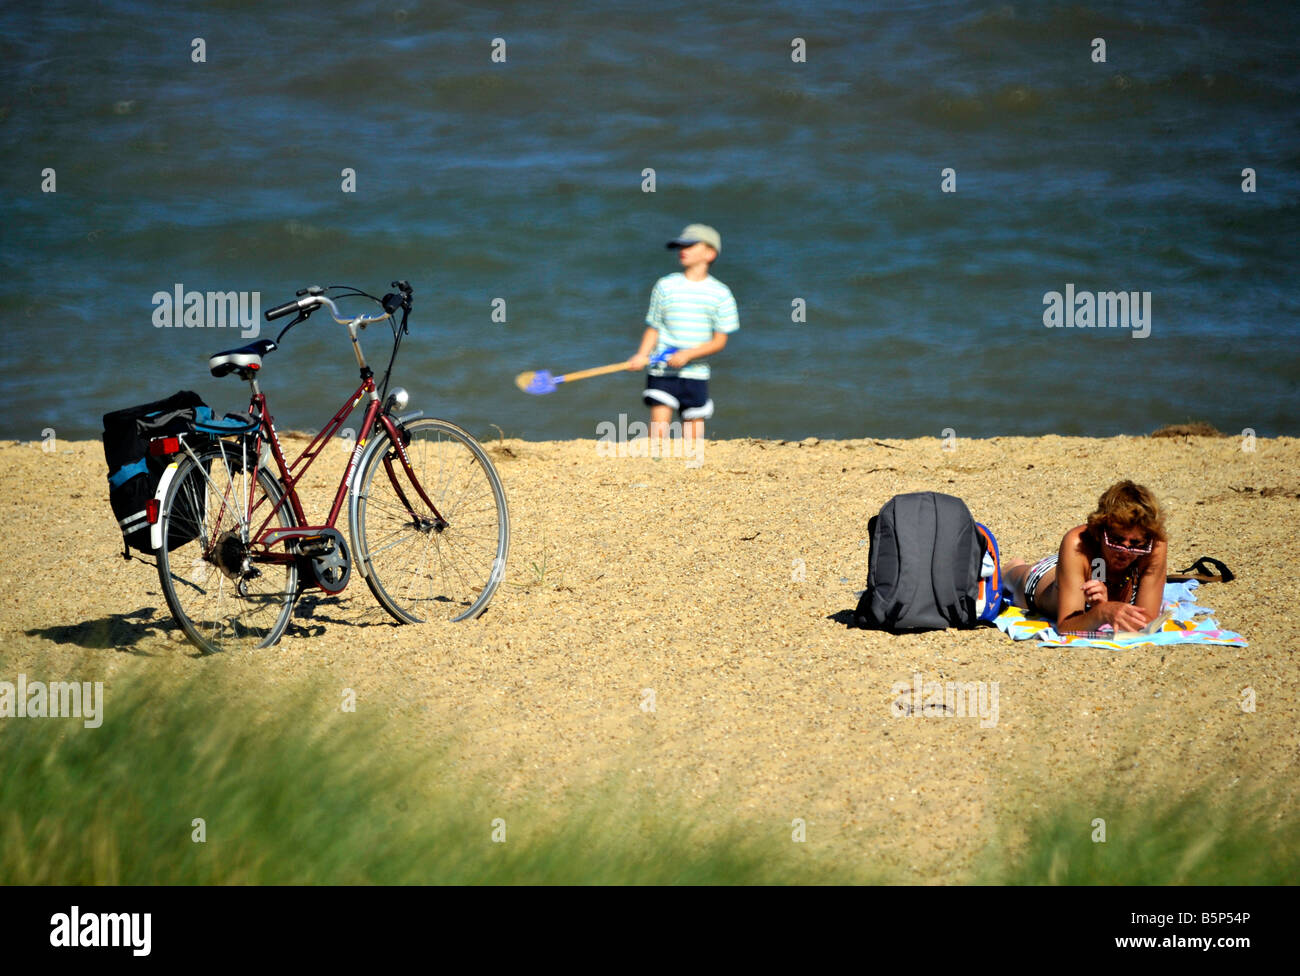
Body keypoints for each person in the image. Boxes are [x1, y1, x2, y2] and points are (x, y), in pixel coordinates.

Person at [626, 223, 739, 453]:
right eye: (680, 245)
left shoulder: (721, 293)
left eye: (689, 245)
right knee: (657, 433)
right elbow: (654, 328)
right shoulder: (665, 285)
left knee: (693, 441)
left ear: (710, 253)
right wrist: (641, 355)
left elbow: (719, 341)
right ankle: (654, 468)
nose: (682, 249)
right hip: (662, 369)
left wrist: (688, 354)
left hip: (695, 372)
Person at [1003, 480, 1169, 633]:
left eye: (1135, 543)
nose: (1125, 551)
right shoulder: (1077, 542)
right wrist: (1102, 612)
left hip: (1089, 566)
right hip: (1047, 576)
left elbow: (1147, 621)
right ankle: (1011, 567)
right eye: (1116, 540)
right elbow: (1066, 626)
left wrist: (1106, 607)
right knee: (1015, 578)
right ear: (1099, 531)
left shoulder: (1154, 546)